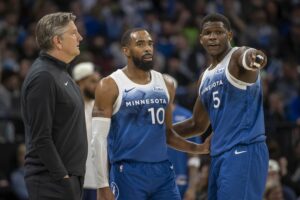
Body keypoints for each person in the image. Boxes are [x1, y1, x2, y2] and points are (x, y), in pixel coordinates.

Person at [91, 28, 210, 200]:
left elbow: (167, 135)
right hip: (128, 172)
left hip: (163, 171)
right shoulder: (109, 85)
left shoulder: (167, 84)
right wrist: (102, 185)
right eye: (140, 44)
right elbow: (98, 139)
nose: (147, 48)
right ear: (126, 50)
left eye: (150, 44)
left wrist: (200, 148)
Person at [173, 13, 269, 200]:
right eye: (208, 33)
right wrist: (159, 132)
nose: (213, 37)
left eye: (219, 32)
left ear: (230, 36)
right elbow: (196, 125)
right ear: (201, 39)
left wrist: (256, 58)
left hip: (244, 148)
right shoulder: (205, 77)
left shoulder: (237, 57)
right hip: (219, 155)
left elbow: (252, 55)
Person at [21, 12, 87, 200]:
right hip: (52, 182)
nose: (80, 37)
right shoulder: (43, 77)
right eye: (74, 33)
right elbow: (41, 137)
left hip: (66, 180)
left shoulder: (60, 73)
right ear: (58, 41)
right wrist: (63, 178)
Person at [164, 74, 202, 200]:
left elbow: (194, 158)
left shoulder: (186, 116)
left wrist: (192, 188)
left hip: (180, 184)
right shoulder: (148, 117)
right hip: (155, 184)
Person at [72, 62, 101, 200]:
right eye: (93, 81)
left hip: (99, 181)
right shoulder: (69, 108)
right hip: (76, 181)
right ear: (80, 82)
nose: (98, 86)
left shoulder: (100, 107)